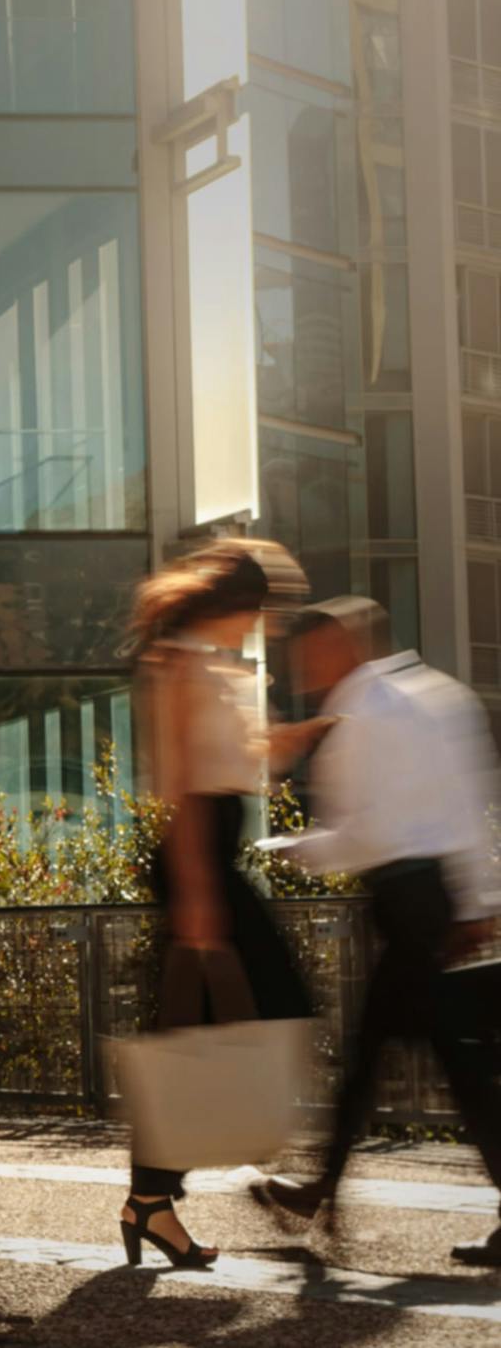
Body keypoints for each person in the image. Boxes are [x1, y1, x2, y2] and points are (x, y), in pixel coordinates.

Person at [254, 597, 501, 1263]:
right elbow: (473, 801)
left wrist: (290, 848)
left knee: (451, 1069)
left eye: (305, 655)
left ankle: (318, 1191)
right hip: (442, 900)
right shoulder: (442, 694)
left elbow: (363, 834)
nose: (298, 669)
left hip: (409, 902)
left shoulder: (361, 715)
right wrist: (480, 900)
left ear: (340, 646)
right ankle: (320, 1190)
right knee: (422, 1062)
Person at [122, 539, 322, 1266]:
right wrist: (199, 899)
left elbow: (249, 761)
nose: (263, 625)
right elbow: (178, 786)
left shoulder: (220, 668)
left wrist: (301, 737)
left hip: (214, 858)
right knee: (273, 1003)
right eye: (262, 611)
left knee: (187, 1034)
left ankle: (151, 1200)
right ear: (236, 604)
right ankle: (166, 1191)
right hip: (196, 859)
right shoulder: (175, 664)